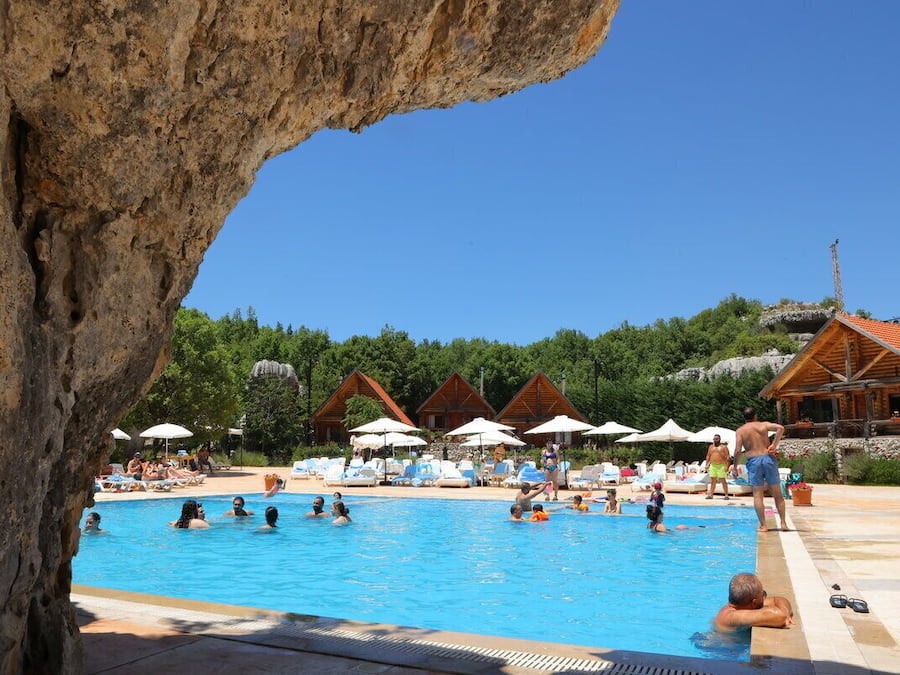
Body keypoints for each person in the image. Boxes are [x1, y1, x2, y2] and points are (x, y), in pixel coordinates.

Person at [733, 407, 787, 532]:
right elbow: (781, 428)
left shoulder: (740, 431)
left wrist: (735, 465)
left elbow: (737, 450)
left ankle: (763, 525)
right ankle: (783, 523)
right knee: (777, 493)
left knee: (758, 495)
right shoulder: (763, 425)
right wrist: (774, 444)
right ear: (755, 416)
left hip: (753, 460)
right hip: (768, 458)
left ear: (744, 418)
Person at [714, 573, 794, 631]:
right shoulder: (731, 617)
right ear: (754, 603)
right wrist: (784, 615)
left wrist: (785, 612)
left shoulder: (741, 605)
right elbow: (780, 617)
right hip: (723, 652)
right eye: (763, 594)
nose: (764, 597)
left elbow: (778, 599)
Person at [705, 434, 731, 500]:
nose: (715, 440)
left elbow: (728, 457)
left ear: (719, 439)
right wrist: (707, 464)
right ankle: (711, 495)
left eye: (716, 439)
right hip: (713, 465)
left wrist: (727, 466)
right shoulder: (711, 447)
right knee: (713, 480)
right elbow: (708, 456)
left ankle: (726, 495)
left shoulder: (723, 447)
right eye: (714, 439)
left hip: (721, 465)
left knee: (723, 480)